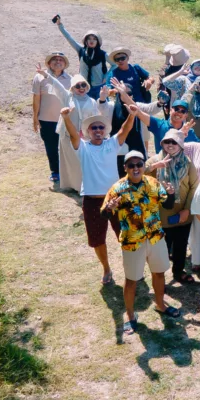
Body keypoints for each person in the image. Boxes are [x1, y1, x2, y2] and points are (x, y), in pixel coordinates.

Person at [101, 150, 182, 335]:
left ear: (144, 166)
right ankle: (130, 316)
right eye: (132, 165)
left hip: (155, 238)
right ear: (125, 168)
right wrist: (109, 208)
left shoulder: (153, 183)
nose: (136, 168)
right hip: (133, 241)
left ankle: (161, 305)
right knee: (131, 281)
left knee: (159, 273)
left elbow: (168, 205)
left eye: (139, 164)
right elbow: (103, 214)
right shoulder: (117, 188)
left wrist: (170, 193)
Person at [61, 107, 135, 284]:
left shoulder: (112, 144)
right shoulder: (83, 148)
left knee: (125, 236)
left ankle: (131, 269)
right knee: (97, 239)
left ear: (105, 131)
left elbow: (125, 129)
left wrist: (132, 114)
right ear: (87, 132)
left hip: (116, 199)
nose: (98, 131)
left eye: (101, 127)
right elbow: (72, 135)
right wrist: (65, 117)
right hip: (92, 201)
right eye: (94, 128)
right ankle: (106, 268)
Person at [39, 69, 110, 193]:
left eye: (83, 85)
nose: (81, 88)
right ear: (72, 88)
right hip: (67, 135)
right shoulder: (68, 97)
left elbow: (95, 118)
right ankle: (73, 185)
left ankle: (83, 187)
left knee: (82, 162)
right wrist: (45, 74)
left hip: (85, 137)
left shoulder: (92, 101)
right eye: (77, 86)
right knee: (71, 162)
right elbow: (56, 84)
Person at [144, 129, 198, 284]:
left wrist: (187, 209)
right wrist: (155, 166)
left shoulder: (187, 162)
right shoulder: (154, 160)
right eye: (167, 141)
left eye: (174, 142)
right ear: (162, 144)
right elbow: (140, 179)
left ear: (181, 145)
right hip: (161, 214)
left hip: (182, 213)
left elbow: (194, 186)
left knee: (180, 246)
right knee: (161, 248)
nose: (170, 145)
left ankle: (178, 271)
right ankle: (159, 277)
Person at [32, 52, 71, 186]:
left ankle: (68, 171)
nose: (58, 62)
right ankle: (55, 171)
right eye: (54, 60)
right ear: (49, 63)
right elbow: (36, 98)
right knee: (51, 147)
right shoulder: (39, 77)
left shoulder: (70, 79)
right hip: (46, 119)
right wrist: (35, 118)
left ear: (65, 64)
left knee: (66, 146)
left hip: (65, 120)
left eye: (61, 60)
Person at [55, 16, 109, 98]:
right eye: (89, 39)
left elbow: (114, 64)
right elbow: (70, 39)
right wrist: (60, 25)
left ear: (97, 41)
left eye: (94, 39)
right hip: (83, 87)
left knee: (101, 108)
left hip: (99, 87)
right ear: (86, 40)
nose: (91, 41)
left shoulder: (103, 54)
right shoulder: (81, 50)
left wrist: (106, 76)